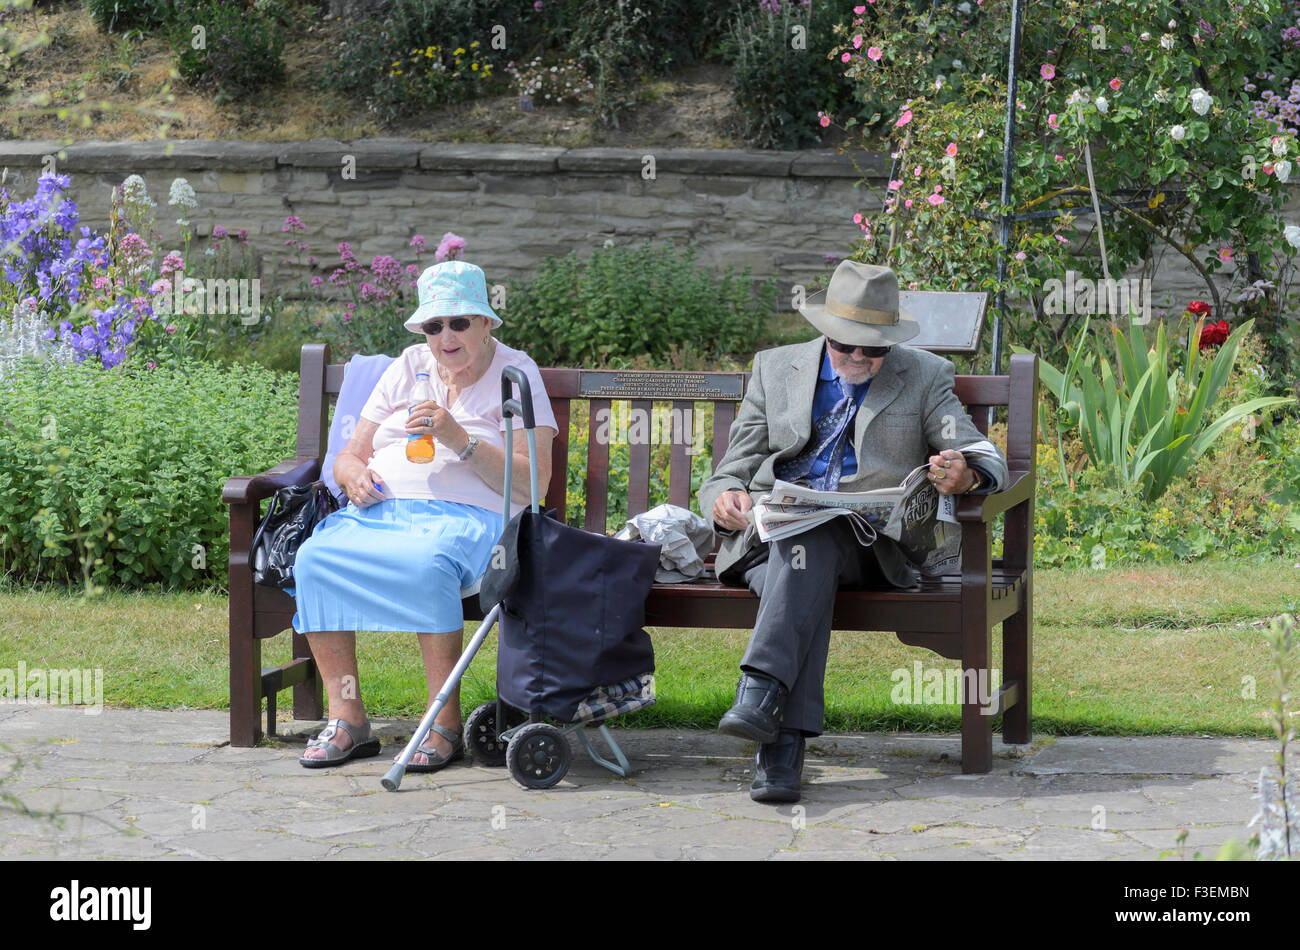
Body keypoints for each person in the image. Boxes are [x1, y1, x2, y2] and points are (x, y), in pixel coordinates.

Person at [698, 261, 1009, 804]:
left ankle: (762, 697)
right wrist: (724, 500)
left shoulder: (924, 374)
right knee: (800, 554)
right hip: (768, 539)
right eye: (847, 346)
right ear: (826, 331)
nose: (860, 358)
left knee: (812, 540)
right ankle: (780, 741)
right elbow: (731, 468)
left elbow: (982, 453)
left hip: (868, 547)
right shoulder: (775, 369)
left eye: (875, 348)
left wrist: (968, 473)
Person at [292, 260, 557, 771]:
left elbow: (533, 484)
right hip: (382, 510)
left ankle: (443, 725)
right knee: (314, 558)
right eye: (434, 326)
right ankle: (348, 719)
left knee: (428, 563)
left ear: (485, 323)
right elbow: (350, 454)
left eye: (459, 322)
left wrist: (459, 438)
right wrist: (352, 476)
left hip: (469, 517)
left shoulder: (516, 373)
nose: (446, 336)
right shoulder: (407, 366)